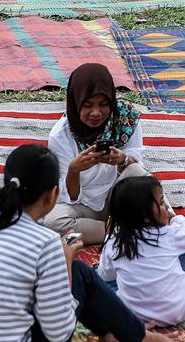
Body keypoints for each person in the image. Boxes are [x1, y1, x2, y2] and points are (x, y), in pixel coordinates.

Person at [0, 144, 168, 342]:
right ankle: (136, 334)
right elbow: (59, 333)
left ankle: (119, 330)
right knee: (80, 273)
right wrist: (65, 258)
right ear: (52, 194)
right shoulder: (44, 242)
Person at [43, 63, 150, 243]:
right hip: (83, 206)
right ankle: (122, 232)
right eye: (88, 105)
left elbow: (137, 167)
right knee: (52, 222)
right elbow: (66, 196)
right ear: (76, 102)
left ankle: (172, 230)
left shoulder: (126, 120)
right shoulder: (61, 135)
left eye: (103, 104)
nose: (96, 113)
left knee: (142, 178)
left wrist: (122, 160)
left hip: (120, 199)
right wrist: (74, 170)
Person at [98, 176, 185, 327]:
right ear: (145, 216)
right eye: (162, 203)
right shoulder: (171, 234)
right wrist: (176, 219)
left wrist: (109, 239)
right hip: (178, 310)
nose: (167, 208)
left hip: (134, 314)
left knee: (103, 281)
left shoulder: (115, 243)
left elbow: (105, 276)